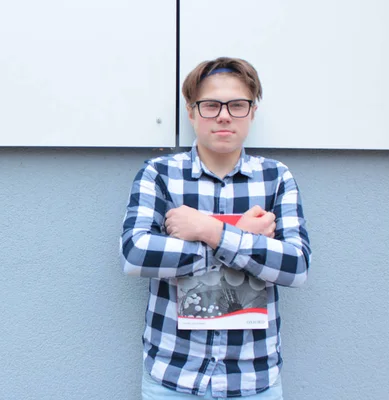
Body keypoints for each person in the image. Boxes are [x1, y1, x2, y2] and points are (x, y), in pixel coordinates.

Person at [119, 57, 311, 399]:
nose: (224, 115)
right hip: (173, 375)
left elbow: (295, 266)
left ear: (252, 112)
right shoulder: (160, 174)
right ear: (191, 112)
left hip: (253, 379)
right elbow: (136, 254)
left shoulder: (276, 177)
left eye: (237, 105)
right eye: (210, 105)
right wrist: (243, 236)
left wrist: (210, 230)